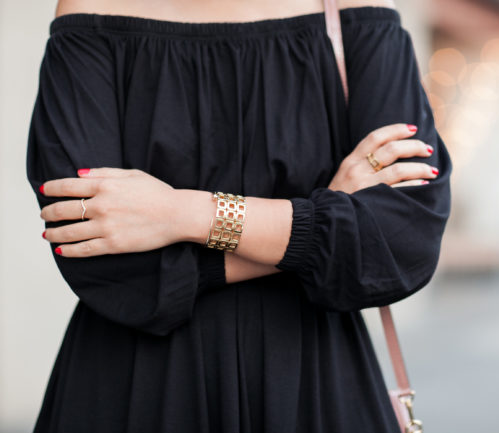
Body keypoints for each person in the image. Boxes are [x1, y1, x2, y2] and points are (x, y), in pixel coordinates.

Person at [25, 0, 452, 431]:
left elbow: (399, 243)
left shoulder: (354, 11)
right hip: (137, 387)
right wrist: (325, 217)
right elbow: (100, 261)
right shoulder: (92, 10)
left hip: (314, 381)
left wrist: (181, 213)